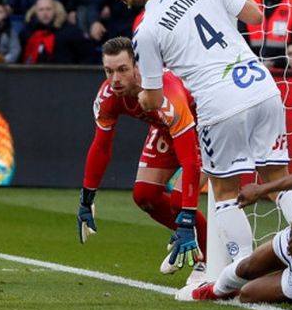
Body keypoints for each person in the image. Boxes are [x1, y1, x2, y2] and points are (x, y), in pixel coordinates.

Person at [108, 0, 292, 269]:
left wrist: (141, 100)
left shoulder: (146, 29)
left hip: (219, 103)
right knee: (280, 181)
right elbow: (254, 16)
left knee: (225, 191)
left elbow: (153, 98)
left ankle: (242, 271)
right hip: (262, 87)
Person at [77, 36, 206, 279]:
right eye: (109, 70)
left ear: (138, 67)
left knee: (180, 201)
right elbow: (101, 147)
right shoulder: (108, 96)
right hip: (167, 130)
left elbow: (190, 161)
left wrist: (186, 218)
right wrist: (86, 198)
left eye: (123, 70)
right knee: (144, 196)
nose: (115, 79)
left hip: (205, 128)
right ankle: (195, 238)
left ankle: (206, 258)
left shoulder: (166, 93)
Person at [179, 170, 292, 308]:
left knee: (247, 295)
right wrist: (261, 190)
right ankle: (213, 291)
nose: (290, 243)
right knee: (246, 268)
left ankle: (291, 291)